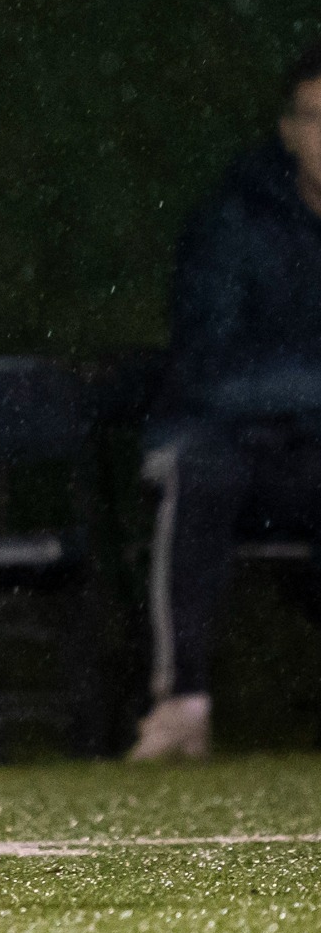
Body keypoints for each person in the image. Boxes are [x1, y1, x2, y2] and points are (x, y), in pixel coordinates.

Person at [131, 46, 321, 761]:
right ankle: (181, 703)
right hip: (235, 451)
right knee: (201, 470)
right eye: (316, 118)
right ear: (288, 129)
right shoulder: (231, 224)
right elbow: (210, 371)